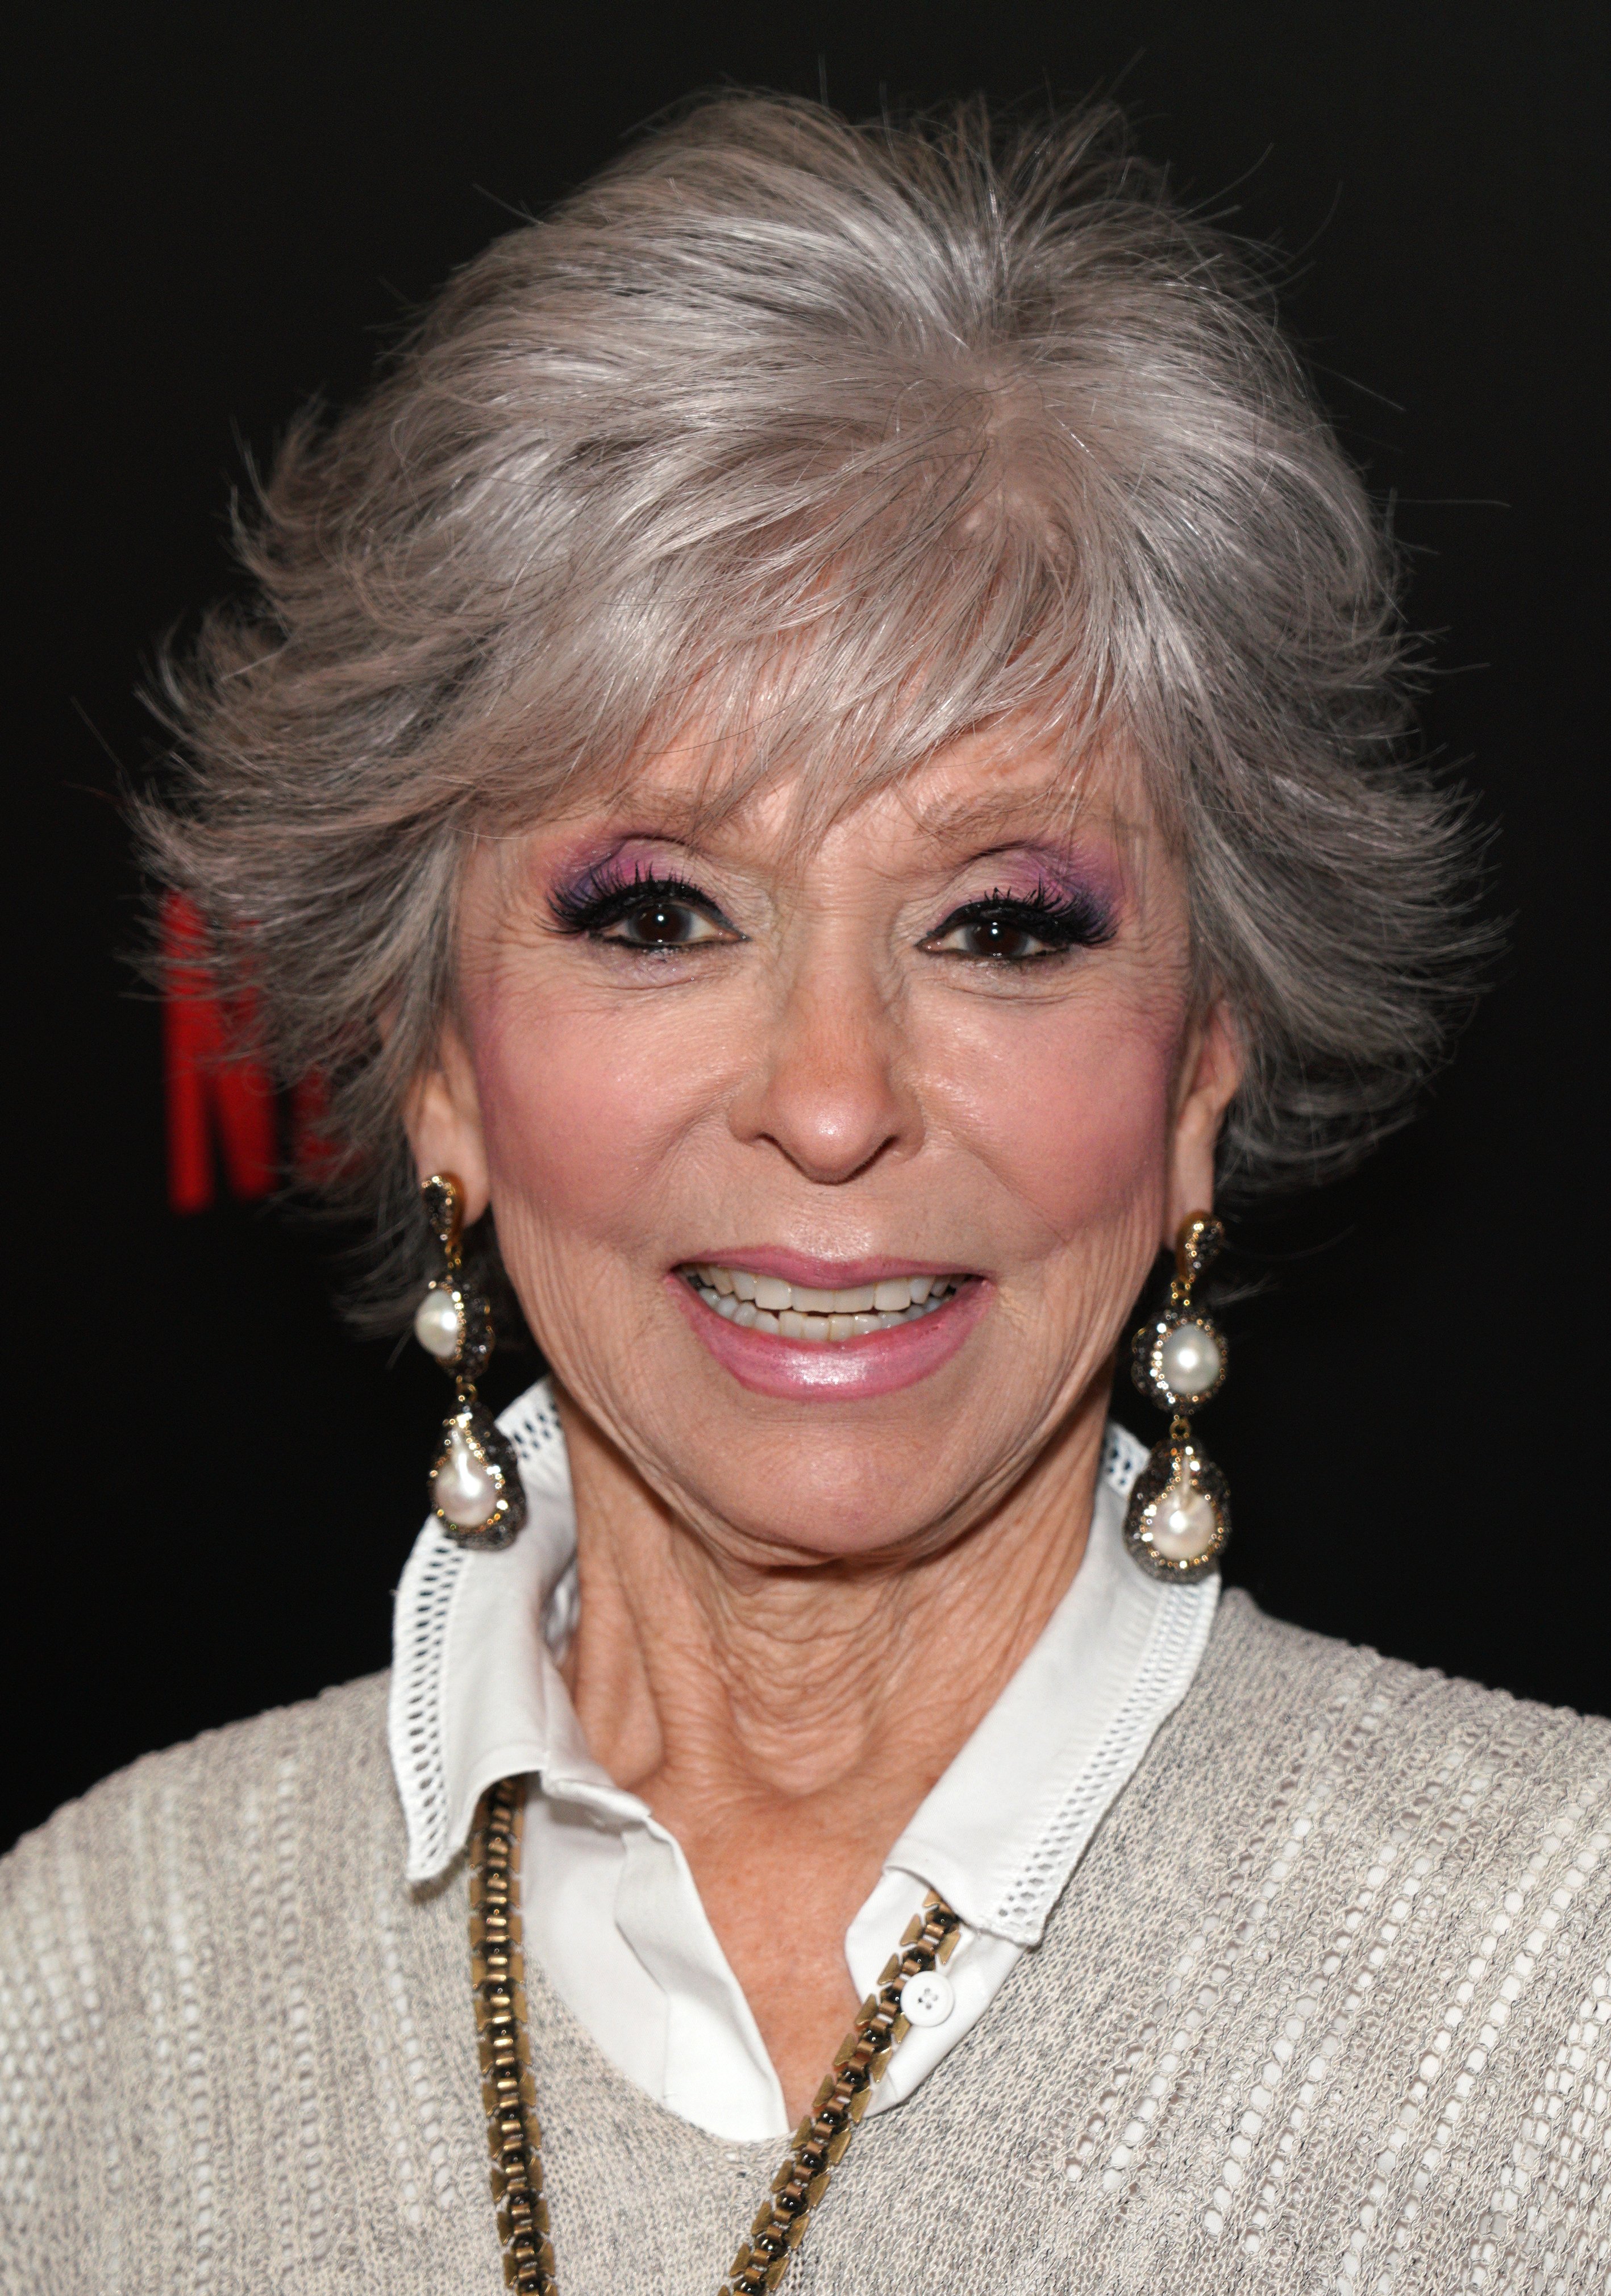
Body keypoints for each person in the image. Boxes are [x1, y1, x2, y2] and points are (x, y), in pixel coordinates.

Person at [3, 95, 1605, 2295]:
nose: (833, 1099)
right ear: (438, 1060)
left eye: (1000, 920)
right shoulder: (81, 1994)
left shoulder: (1563, 2011)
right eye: (658, 912)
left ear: (1200, 1063)